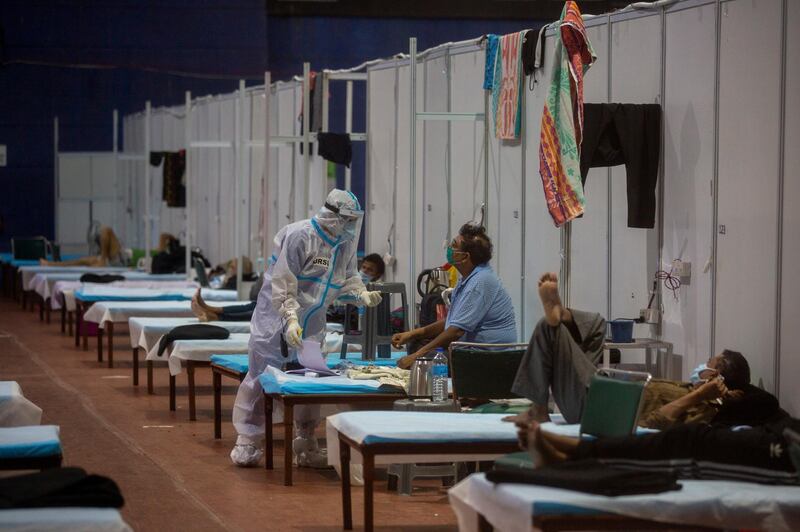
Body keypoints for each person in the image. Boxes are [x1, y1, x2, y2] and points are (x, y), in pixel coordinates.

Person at [512, 272, 785, 428]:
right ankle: (565, 315)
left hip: (598, 409)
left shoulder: (706, 409)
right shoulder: (690, 389)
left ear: (717, 376)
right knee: (595, 323)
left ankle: (539, 408)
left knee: (550, 330)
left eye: (708, 364)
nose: (701, 368)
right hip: (606, 388)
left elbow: (650, 424)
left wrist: (700, 395)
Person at [229, 189, 383, 467]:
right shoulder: (301, 236)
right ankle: (248, 439)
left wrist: (361, 293)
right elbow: (283, 282)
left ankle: (306, 440)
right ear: (332, 215)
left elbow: (346, 277)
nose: (350, 226)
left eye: (353, 220)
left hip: (313, 323)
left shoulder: (343, 244)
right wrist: (289, 319)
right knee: (262, 375)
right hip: (275, 320)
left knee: (310, 379)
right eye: (346, 220)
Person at [517, 415, 800, 485]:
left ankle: (569, 458)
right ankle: (572, 449)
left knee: (687, 453)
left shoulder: (745, 397)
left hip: (785, 458)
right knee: (685, 436)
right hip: (780, 438)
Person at [391, 223, 517, 370]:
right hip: (471, 352)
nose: (450, 249)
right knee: (416, 343)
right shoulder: (469, 277)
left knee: (422, 361)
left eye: (454, 245)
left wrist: (416, 356)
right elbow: (453, 321)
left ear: (465, 257)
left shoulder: (480, 282)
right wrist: (412, 334)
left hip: (486, 359)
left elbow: (456, 331)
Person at [40, 226, 125, 267]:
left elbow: (106, 230)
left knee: (106, 229)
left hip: (122, 260)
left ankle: (50, 264)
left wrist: (103, 258)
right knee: (81, 260)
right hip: (115, 260)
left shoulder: (119, 253)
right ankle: (51, 264)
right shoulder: (114, 253)